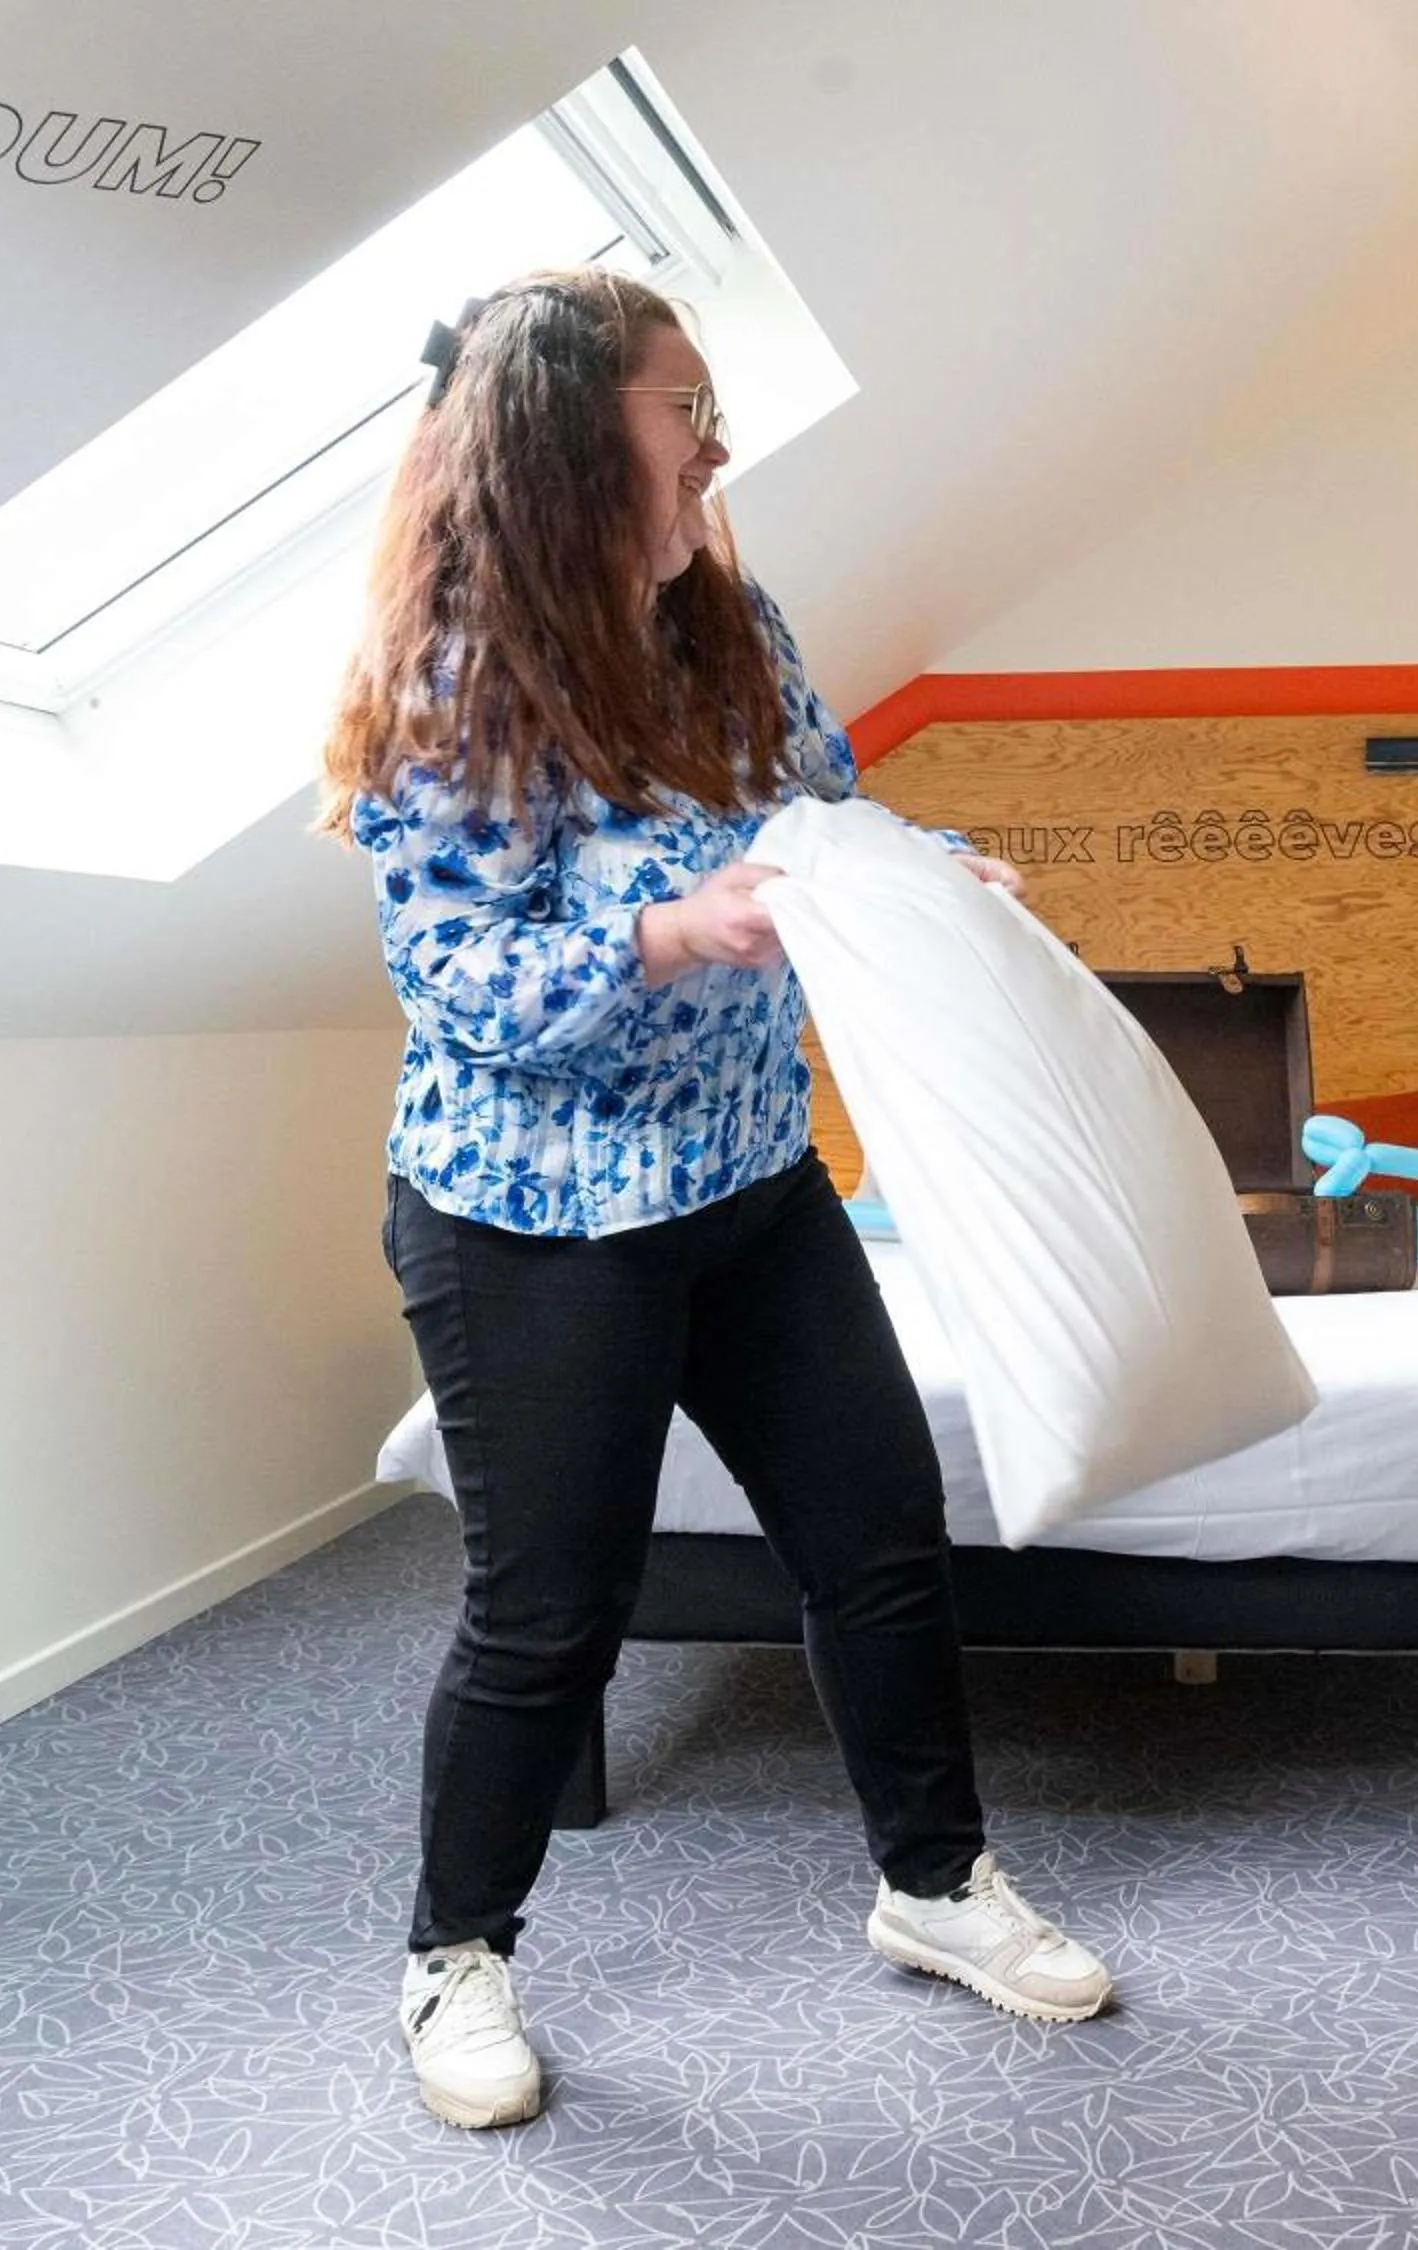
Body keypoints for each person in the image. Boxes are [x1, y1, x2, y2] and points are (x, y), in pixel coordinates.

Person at [321, 266, 1113, 2131]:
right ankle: (457, 1954)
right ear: (569, 437)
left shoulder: (724, 617)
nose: (718, 439)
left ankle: (932, 1884)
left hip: (750, 1175)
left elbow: (819, 810)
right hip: (533, 1213)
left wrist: (928, 871)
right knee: (550, 1612)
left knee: (881, 1534)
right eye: (686, 403)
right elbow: (462, 982)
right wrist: (673, 929)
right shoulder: (453, 671)